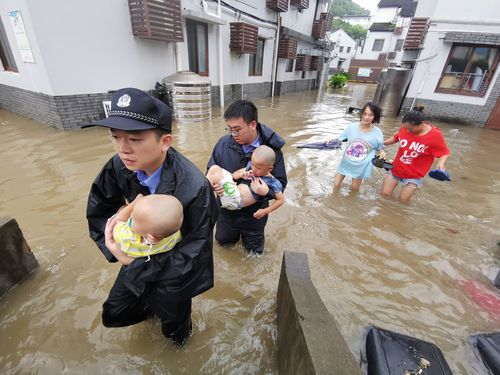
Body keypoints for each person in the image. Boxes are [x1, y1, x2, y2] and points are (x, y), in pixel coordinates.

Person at [83, 87, 218, 345]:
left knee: (175, 333)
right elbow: (99, 208)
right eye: (115, 137)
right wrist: (114, 246)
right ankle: (151, 307)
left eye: (134, 140)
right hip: (137, 258)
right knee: (114, 314)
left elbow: (195, 252)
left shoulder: (194, 186)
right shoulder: (118, 165)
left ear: (165, 141)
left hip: (173, 276)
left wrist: (134, 263)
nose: (123, 149)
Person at [207, 100, 287, 254]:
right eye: (230, 129)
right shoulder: (223, 144)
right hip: (226, 213)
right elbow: (211, 169)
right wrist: (214, 185)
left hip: (254, 217)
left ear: (253, 124)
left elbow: (281, 183)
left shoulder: (272, 152)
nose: (233, 134)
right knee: (224, 245)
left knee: (254, 255)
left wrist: (265, 192)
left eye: (238, 129)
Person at [380, 106, 450, 203]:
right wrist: (381, 144)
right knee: (384, 195)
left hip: (414, 175)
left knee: (403, 201)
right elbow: (396, 138)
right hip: (396, 168)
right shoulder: (406, 127)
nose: (408, 131)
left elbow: (444, 152)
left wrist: (441, 163)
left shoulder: (434, 135)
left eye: (411, 129)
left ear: (421, 124)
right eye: (405, 128)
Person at [206, 145, 284, 219]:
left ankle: (202, 195)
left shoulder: (273, 182)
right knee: (214, 168)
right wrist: (242, 175)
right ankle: (204, 193)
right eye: (253, 164)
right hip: (231, 191)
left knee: (215, 175)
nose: (254, 169)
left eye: (258, 168)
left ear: (270, 168)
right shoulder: (250, 168)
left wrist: (265, 211)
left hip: (236, 201)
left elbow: (280, 200)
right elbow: (233, 176)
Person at [112, 194, 183, 263]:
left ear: (150, 236)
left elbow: (118, 220)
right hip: (152, 255)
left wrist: (134, 203)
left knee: (122, 209)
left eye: (133, 219)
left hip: (132, 255)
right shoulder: (174, 236)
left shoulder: (127, 237)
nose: (131, 214)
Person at [334, 102, 386, 191]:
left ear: (375, 117)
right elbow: (340, 139)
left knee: (354, 190)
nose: (366, 117)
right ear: (361, 113)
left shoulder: (377, 133)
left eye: (370, 115)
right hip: (346, 162)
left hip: (360, 167)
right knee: (335, 185)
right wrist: (330, 142)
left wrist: (382, 152)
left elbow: (380, 147)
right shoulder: (351, 127)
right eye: (365, 114)